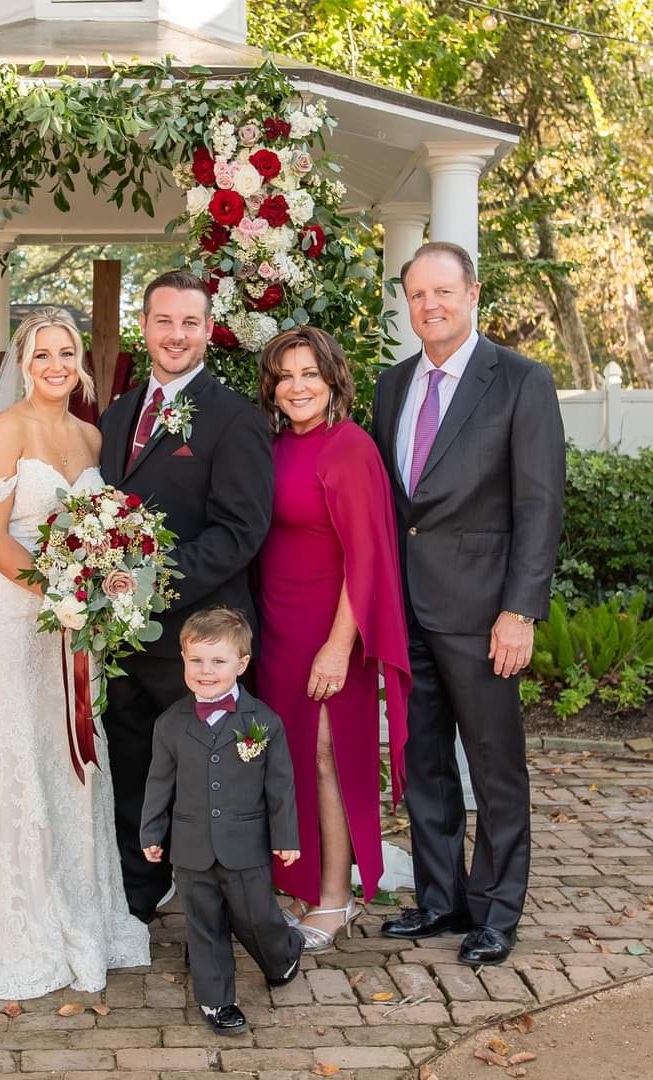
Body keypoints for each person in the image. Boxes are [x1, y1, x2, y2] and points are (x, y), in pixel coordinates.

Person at [0, 308, 150, 999]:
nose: (55, 363)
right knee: (14, 741)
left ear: (81, 361)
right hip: (15, 611)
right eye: (42, 352)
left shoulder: (90, 433)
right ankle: (12, 917)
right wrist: (59, 593)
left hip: (75, 623)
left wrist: (94, 592)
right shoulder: (4, 429)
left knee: (70, 746)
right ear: (23, 360)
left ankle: (81, 907)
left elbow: (97, 527)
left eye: (66, 351)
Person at [372, 241, 565, 966]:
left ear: (473, 293)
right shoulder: (392, 386)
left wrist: (521, 610)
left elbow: (539, 504)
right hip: (408, 611)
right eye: (417, 295)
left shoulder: (520, 381)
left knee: (494, 767)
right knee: (424, 765)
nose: (430, 306)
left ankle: (495, 911)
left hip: (486, 615)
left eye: (443, 292)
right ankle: (440, 901)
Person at [99, 270, 274, 922]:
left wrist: (148, 586)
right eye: (164, 321)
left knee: (211, 783)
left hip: (200, 640)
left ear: (208, 330)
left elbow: (240, 531)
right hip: (124, 641)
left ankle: (224, 911)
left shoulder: (234, 420)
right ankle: (137, 898)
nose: (176, 335)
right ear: (144, 326)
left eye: (190, 323)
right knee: (133, 771)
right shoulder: (115, 418)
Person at [255, 327, 411, 952]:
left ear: (333, 381)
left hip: (328, 625)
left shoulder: (348, 448)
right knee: (286, 756)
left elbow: (366, 559)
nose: (297, 386)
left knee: (327, 758)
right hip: (275, 626)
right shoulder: (271, 447)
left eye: (310, 375)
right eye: (286, 375)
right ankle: (295, 883)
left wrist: (338, 645)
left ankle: (333, 897)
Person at [141, 608, 303, 1035]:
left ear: (242, 664)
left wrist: (285, 837)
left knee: (257, 917)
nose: (206, 671)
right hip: (192, 846)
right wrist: (152, 831)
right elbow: (159, 783)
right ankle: (217, 1001)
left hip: (246, 844)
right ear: (183, 660)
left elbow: (280, 787)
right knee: (204, 924)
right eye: (196, 660)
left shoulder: (263, 722)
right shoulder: (169, 724)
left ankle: (282, 953)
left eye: (218, 661)